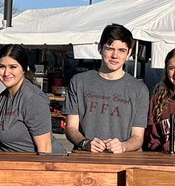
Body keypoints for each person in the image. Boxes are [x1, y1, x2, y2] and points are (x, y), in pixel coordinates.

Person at [64, 24, 149, 154]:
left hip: (122, 162)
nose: (115, 55)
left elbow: (138, 137)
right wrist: (85, 143)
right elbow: (71, 128)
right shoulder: (78, 82)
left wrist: (123, 146)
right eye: (110, 49)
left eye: (122, 50)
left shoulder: (139, 89)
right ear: (100, 48)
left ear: (129, 53)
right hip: (84, 158)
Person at [0, 44, 53, 153]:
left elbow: (45, 149)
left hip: (35, 166)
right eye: (1, 66)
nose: (6, 73)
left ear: (24, 69)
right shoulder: (4, 96)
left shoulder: (32, 99)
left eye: (13, 67)